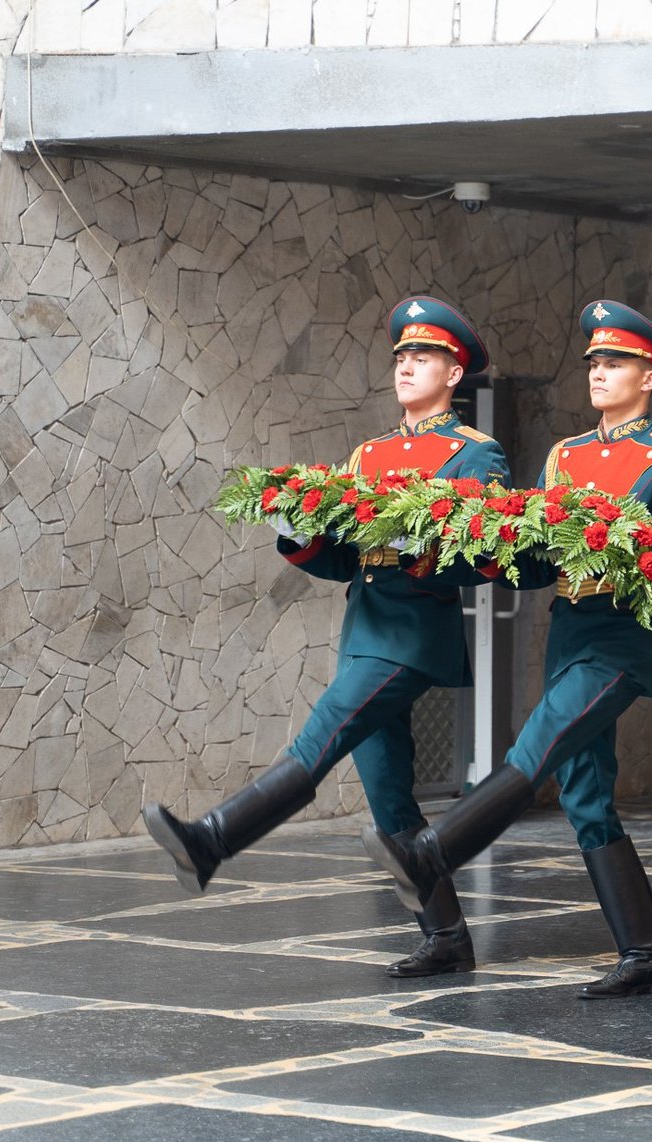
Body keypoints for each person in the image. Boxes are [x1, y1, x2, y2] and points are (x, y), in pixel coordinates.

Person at [143, 296, 508, 979]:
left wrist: (418, 543)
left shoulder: (474, 457)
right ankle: (447, 935)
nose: (406, 366)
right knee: (389, 794)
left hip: (410, 637)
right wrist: (298, 529)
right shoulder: (370, 453)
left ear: (454, 374)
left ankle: (211, 842)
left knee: (319, 740)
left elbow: (486, 557)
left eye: (422, 356)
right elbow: (347, 558)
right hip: (364, 631)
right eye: (401, 355)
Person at [363, 300, 652, 1000]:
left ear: (651, 378)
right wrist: (494, 545)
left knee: (542, 741)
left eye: (616, 363)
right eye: (595, 363)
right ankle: (643, 953)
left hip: (621, 641)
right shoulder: (566, 457)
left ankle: (437, 851)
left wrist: (608, 547)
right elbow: (540, 558)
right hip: (571, 636)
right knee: (584, 793)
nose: (600, 373)